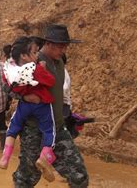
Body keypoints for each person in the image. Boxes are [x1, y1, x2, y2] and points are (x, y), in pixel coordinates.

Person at [12, 24, 88, 188]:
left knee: (79, 176)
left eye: (65, 46)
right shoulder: (33, 60)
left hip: (58, 129)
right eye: (61, 46)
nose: (64, 50)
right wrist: (24, 95)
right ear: (48, 44)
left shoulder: (59, 62)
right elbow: (8, 86)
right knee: (27, 179)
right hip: (34, 130)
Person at [0, 37, 57, 182]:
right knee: (49, 131)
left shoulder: (11, 71)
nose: (37, 55)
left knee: (12, 129)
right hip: (41, 105)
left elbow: (8, 86)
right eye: (35, 52)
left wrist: (23, 96)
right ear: (24, 55)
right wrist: (43, 69)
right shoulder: (35, 69)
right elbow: (50, 81)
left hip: (24, 106)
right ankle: (44, 158)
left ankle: (5, 158)